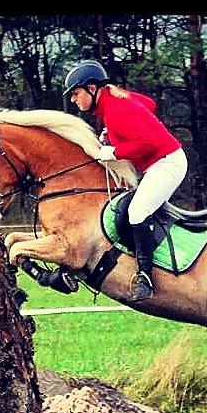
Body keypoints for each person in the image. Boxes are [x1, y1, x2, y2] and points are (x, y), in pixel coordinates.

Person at [63, 59, 188, 301]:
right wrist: (114, 133)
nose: (73, 100)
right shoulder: (116, 100)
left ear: (92, 88)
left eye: (76, 93)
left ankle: (145, 276)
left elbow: (147, 143)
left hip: (167, 164)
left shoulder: (116, 109)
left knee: (137, 212)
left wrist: (114, 151)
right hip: (160, 163)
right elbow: (149, 105)